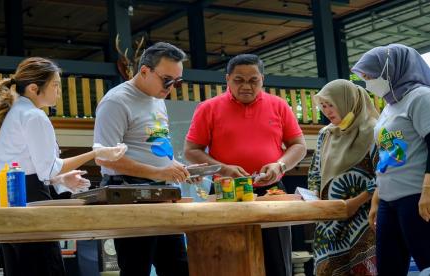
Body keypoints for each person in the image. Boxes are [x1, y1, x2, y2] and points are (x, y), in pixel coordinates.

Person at [0, 57, 127, 276]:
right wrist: (97, 152)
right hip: (32, 200)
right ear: (34, 88)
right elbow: (48, 169)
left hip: (11, 198)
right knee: (44, 267)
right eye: (55, 85)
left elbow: (31, 167)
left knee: (20, 268)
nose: (58, 91)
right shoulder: (34, 116)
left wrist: (60, 179)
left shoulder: (12, 115)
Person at [184, 54, 306, 276]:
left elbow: (298, 146)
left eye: (253, 80)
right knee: (230, 260)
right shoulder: (208, 108)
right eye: (239, 80)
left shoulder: (278, 105)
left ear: (262, 79)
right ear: (227, 79)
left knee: (277, 262)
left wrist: (280, 165)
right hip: (227, 192)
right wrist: (224, 168)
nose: (247, 86)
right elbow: (191, 151)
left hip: (273, 192)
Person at [93, 42, 190, 276]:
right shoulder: (116, 101)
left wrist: (173, 166)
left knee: (177, 266)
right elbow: (104, 158)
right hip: (129, 193)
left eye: (176, 82)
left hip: (163, 193)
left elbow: (154, 144)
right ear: (145, 71)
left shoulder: (157, 98)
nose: (171, 87)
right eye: (167, 80)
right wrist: (158, 172)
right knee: (136, 267)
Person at [352, 43, 430, 274]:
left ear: (390, 69)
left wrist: (427, 190)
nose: (367, 81)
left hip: (416, 196)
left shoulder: (421, 98)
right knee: (388, 267)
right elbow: (387, 155)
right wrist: (377, 197)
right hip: (389, 200)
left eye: (370, 75)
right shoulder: (390, 105)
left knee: (426, 262)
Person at [307, 79, 379, 275]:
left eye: (331, 105)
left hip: (364, 217)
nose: (327, 111)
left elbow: (385, 173)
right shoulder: (326, 134)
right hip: (329, 220)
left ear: (347, 101)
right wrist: (313, 195)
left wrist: (355, 203)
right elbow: (315, 171)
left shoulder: (375, 130)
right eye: (323, 106)